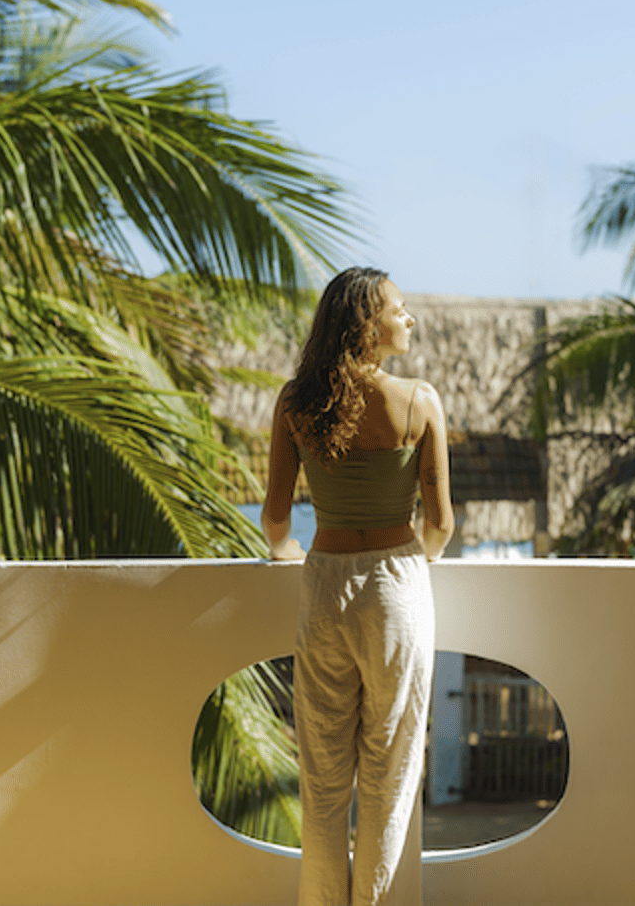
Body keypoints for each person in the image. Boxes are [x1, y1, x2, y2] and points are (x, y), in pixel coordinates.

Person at [262, 267, 455, 906]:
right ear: (369, 325)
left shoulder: (296, 403)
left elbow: (276, 516)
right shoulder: (419, 401)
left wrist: (283, 552)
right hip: (397, 587)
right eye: (400, 310)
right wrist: (403, 570)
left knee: (322, 777)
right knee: (389, 774)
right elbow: (440, 524)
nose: (410, 320)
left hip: (323, 583)